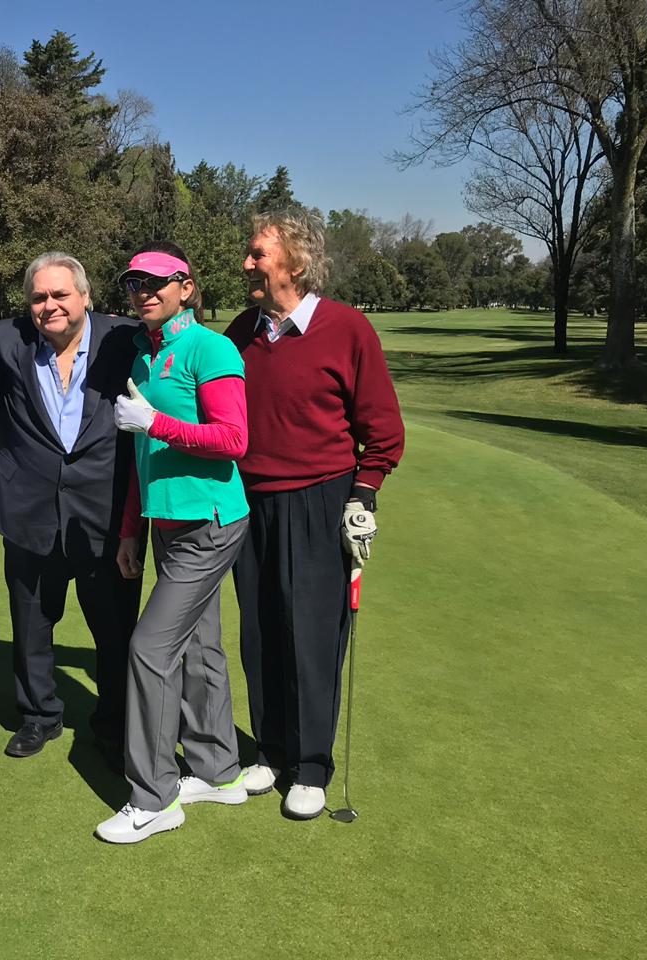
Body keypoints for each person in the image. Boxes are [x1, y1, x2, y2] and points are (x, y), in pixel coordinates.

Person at [223, 209, 404, 820]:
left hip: (319, 497)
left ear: (295, 263)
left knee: (311, 634)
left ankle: (311, 765)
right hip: (249, 502)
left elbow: (382, 431)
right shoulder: (241, 331)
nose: (248, 263)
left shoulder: (347, 329)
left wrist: (364, 493)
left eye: (258, 254)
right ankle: (271, 750)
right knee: (260, 630)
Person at [95, 242, 251, 844]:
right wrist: (132, 528)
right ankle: (218, 770)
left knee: (148, 650)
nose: (145, 292)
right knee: (200, 647)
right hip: (166, 524)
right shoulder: (142, 356)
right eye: (135, 283)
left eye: (159, 282)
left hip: (209, 523)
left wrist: (156, 422)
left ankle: (155, 797)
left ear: (187, 287)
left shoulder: (211, 348)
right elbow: (143, 459)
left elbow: (233, 438)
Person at [0, 253, 142, 766]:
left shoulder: (123, 340)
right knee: (31, 622)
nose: (48, 305)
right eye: (38, 297)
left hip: (105, 513)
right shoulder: (6, 340)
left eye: (59, 295)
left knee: (115, 631)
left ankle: (114, 726)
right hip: (30, 508)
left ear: (85, 297)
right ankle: (38, 716)